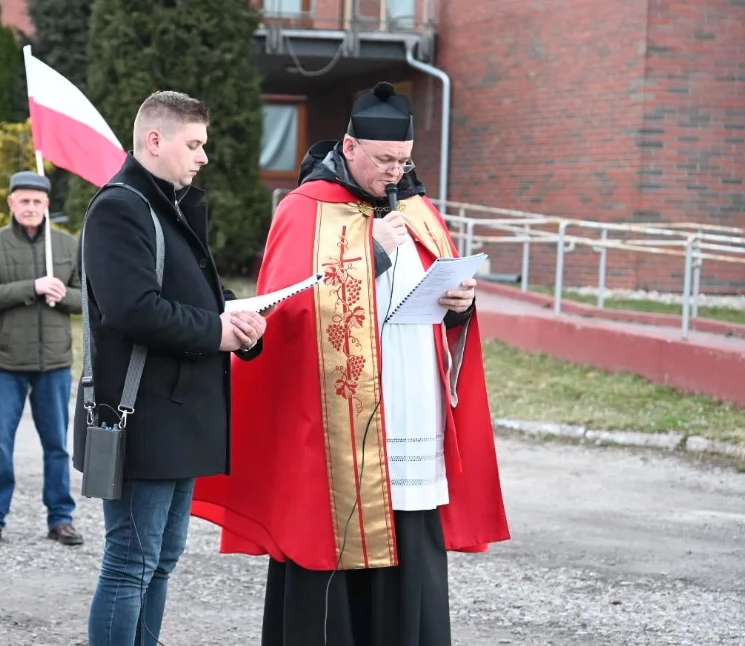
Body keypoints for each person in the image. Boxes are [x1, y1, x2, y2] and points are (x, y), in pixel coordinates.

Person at [190, 82, 510, 646]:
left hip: (411, 413)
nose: (395, 172)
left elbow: (441, 304)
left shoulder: (418, 210)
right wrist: (377, 252)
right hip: (334, 428)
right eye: (384, 160)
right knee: (329, 546)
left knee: (410, 543)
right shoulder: (306, 210)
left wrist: (461, 305)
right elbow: (287, 311)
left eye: (404, 161)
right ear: (350, 146)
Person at [73, 90, 269, 646]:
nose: (203, 156)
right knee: (131, 561)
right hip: (141, 415)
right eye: (195, 144)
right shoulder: (120, 206)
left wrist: (239, 317)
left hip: (176, 414)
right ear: (154, 141)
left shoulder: (167, 204)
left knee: (160, 559)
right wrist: (216, 331)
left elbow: (194, 295)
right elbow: (131, 308)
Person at [0, 171, 83, 548]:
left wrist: (61, 295)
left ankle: (61, 519)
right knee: (0, 442)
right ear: (11, 204)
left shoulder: (67, 246)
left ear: (47, 204)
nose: (31, 207)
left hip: (54, 363)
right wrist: (31, 288)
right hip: (6, 363)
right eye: (24, 201)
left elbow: (88, 299)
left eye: (37, 201)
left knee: (57, 446)